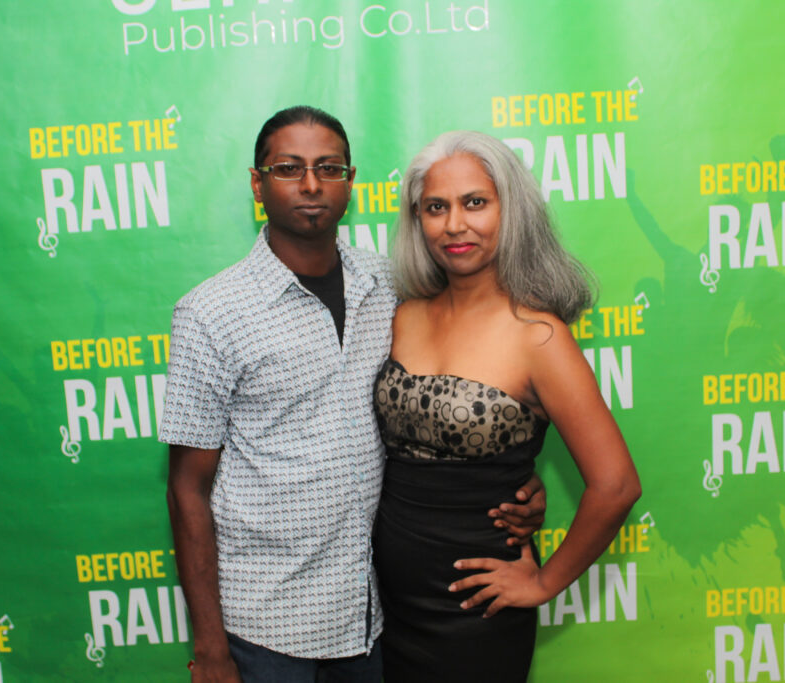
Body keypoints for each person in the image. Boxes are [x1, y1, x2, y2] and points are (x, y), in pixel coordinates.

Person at [159, 108, 545, 683]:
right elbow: (187, 489)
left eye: (328, 168)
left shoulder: (392, 287)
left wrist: (510, 481)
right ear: (257, 183)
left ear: (350, 181)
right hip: (265, 625)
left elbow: (456, 395)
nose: (311, 184)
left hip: (373, 618)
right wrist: (211, 646)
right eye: (288, 168)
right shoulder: (210, 314)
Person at [373, 130, 641, 682]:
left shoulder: (538, 335)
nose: (454, 224)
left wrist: (542, 583)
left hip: (475, 609)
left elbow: (616, 486)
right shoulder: (401, 316)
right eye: (436, 208)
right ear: (417, 220)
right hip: (382, 600)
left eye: (475, 203)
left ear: (509, 209)